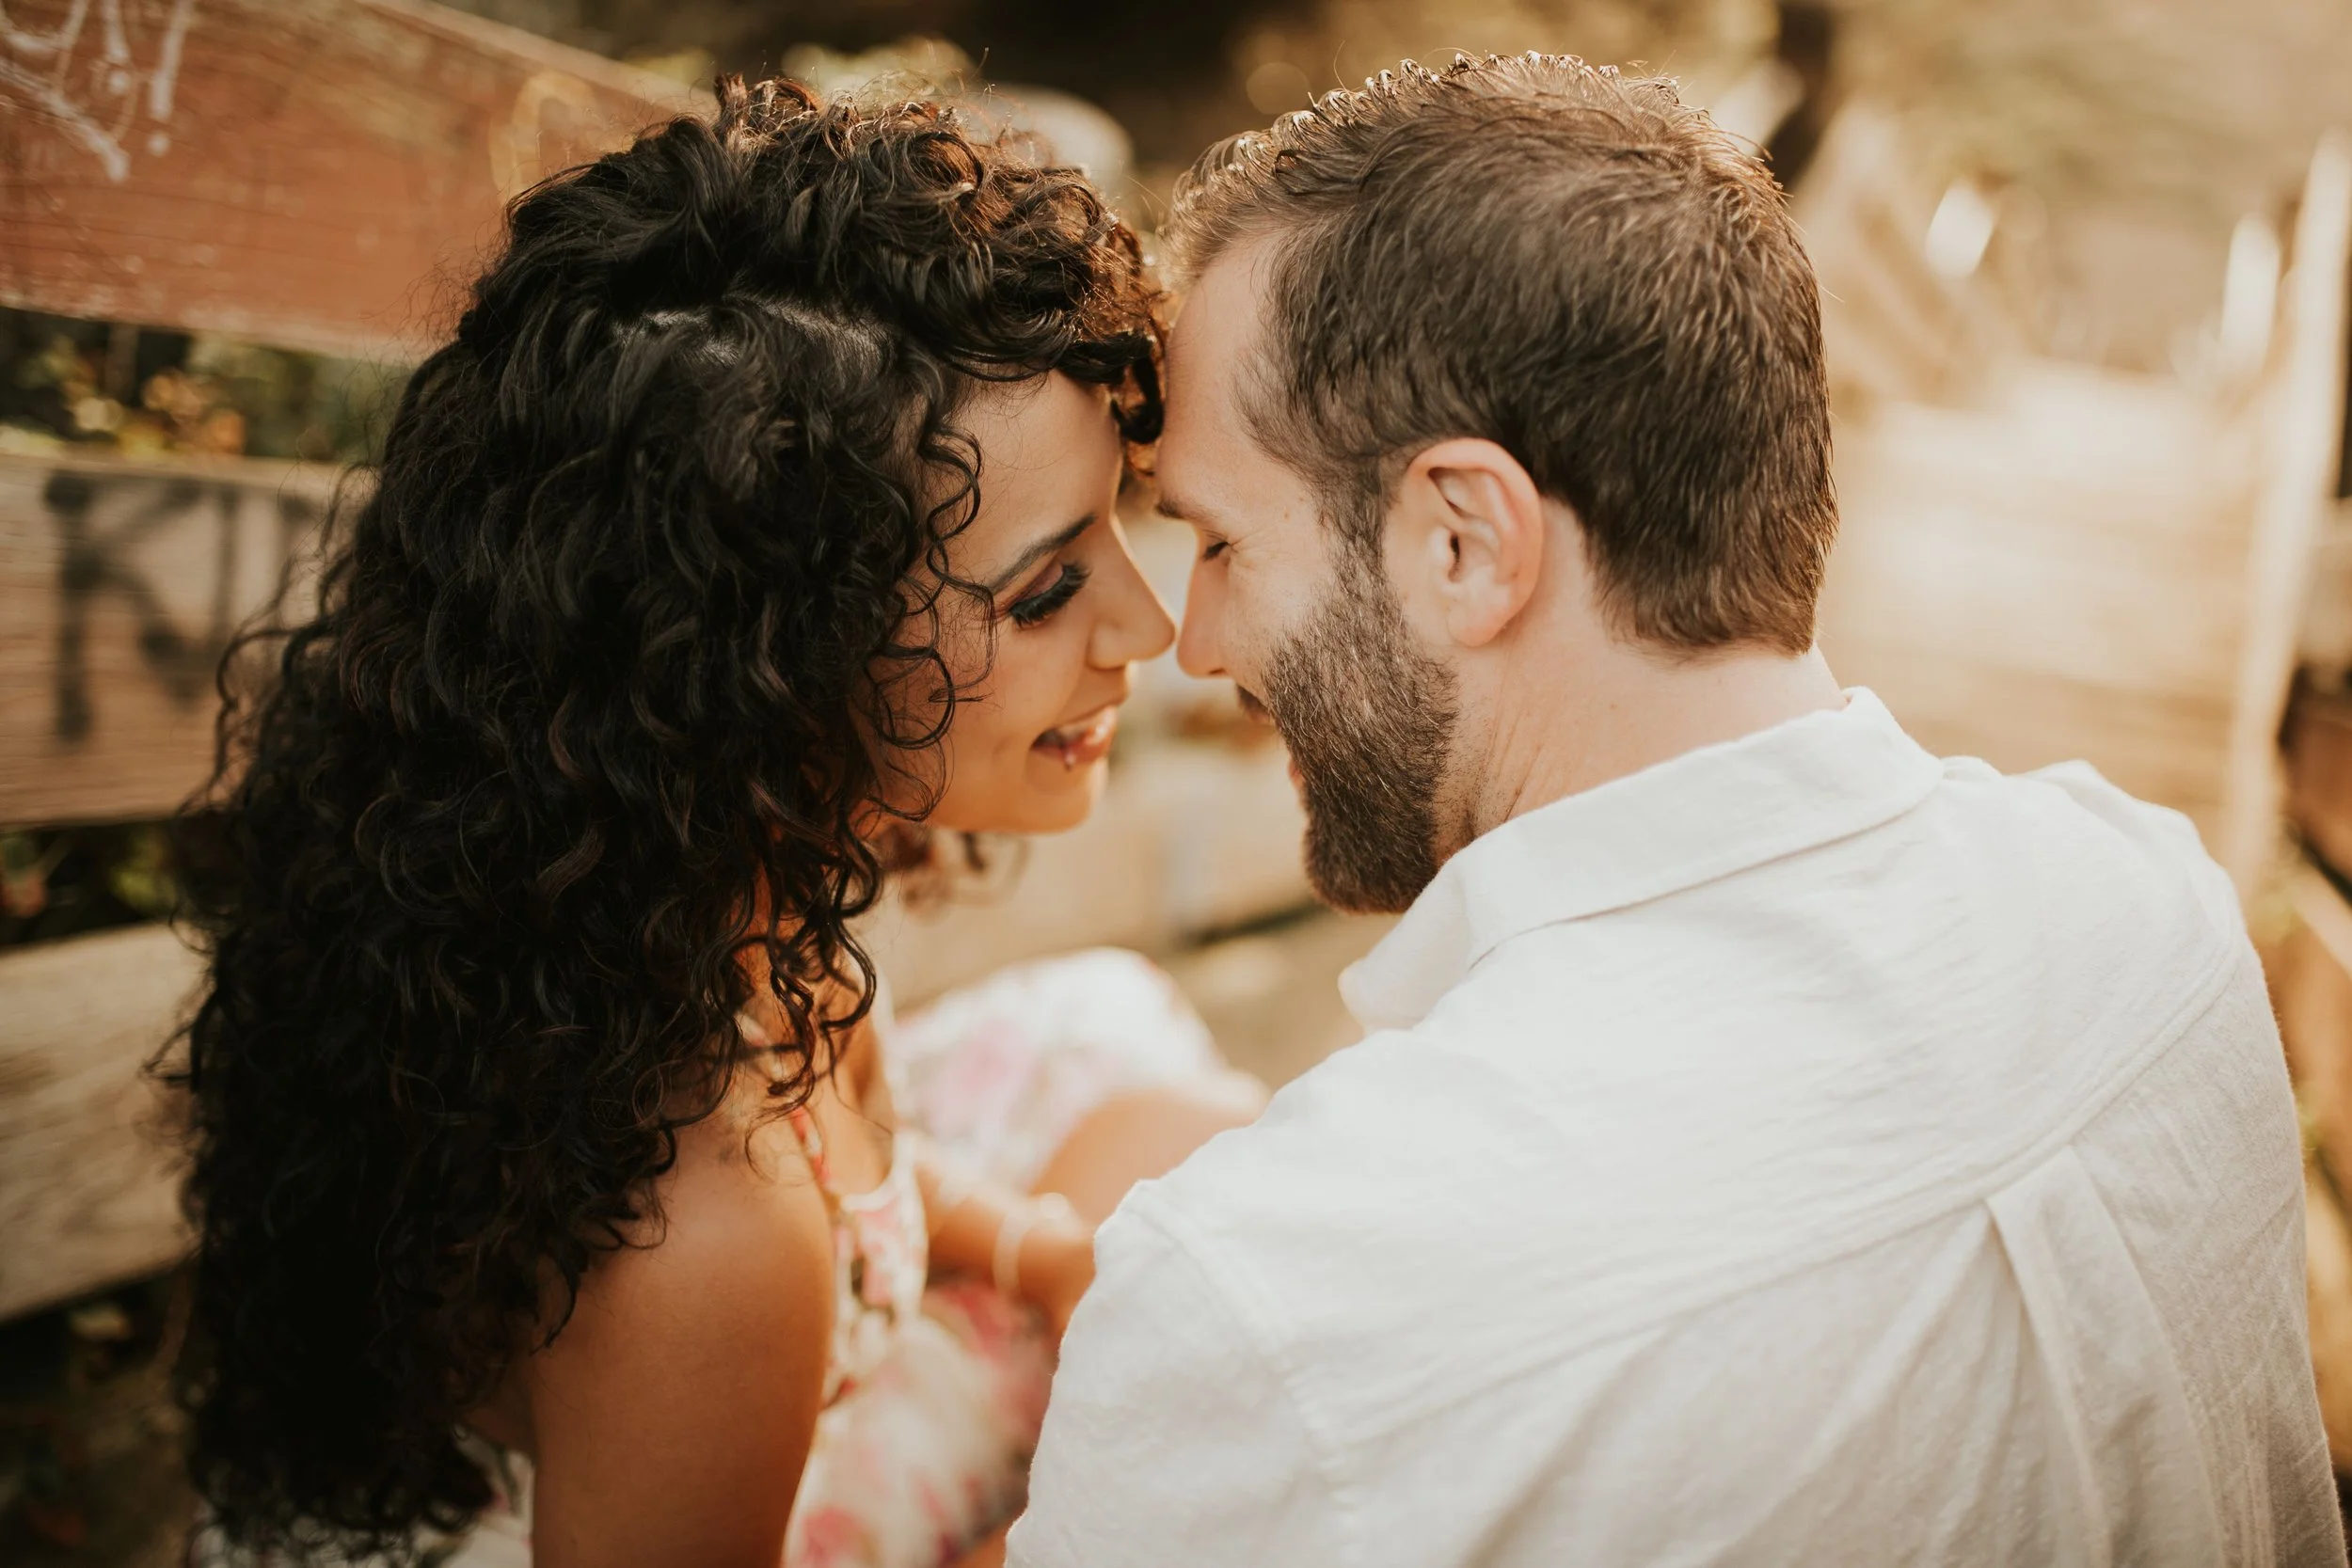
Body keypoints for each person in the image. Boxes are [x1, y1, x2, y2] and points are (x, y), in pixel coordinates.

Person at [1009, 54, 2344, 1567]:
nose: (1196, 641)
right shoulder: (2159, 920)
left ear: (1463, 544)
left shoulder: (1272, 1306)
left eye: (1225, 544)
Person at [169, 76, 1260, 1568]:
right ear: (774, 652)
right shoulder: (706, 1233)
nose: (1151, 623)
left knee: (1172, 1136)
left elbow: (852, 1155)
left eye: (1125, 524)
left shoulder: (654, 921)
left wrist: (1019, 1244)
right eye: (1048, 585)